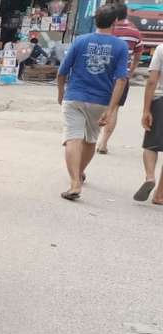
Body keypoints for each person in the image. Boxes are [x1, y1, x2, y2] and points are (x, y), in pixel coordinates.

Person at [56, 4, 129, 201]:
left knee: (72, 138)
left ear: (95, 20)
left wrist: (61, 92)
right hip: (101, 101)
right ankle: (79, 173)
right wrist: (112, 109)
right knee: (90, 139)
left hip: (75, 97)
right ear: (115, 22)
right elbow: (121, 80)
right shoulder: (121, 46)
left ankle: (74, 183)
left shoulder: (80, 41)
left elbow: (62, 71)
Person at [96, 2, 143, 154]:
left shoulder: (106, 31)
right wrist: (131, 71)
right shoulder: (135, 33)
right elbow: (137, 56)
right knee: (114, 108)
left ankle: (91, 138)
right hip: (121, 76)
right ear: (126, 14)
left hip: (102, 73)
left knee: (95, 104)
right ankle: (103, 143)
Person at [137, 43, 163, 204]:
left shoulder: (161, 48)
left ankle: (150, 176)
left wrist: (146, 110)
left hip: (160, 101)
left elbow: (152, 81)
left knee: (151, 145)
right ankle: (160, 195)